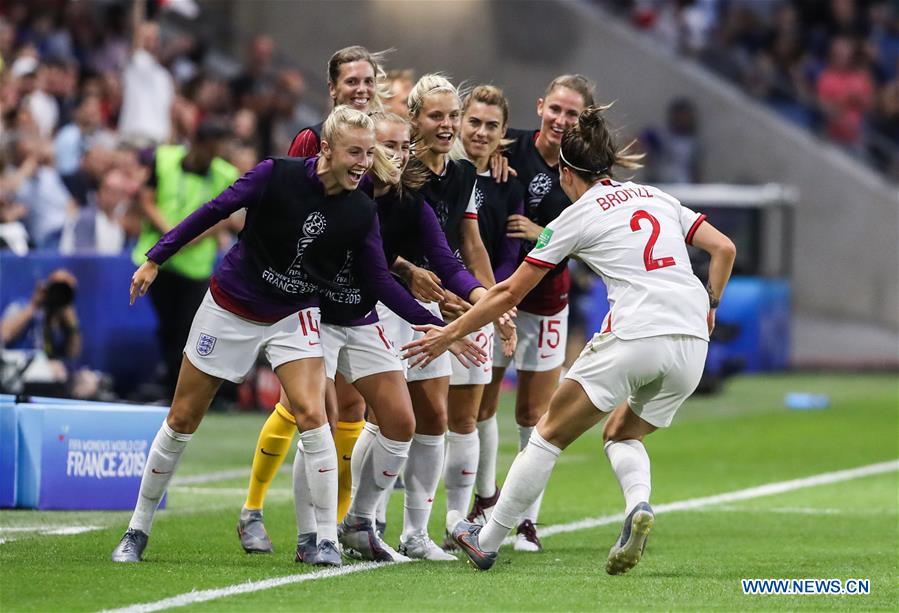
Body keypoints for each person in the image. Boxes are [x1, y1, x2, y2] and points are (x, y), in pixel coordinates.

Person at [403, 105, 736, 574]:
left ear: (564, 170)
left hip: (637, 332)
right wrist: (712, 304)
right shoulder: (655, 196)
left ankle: (489, 538)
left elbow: (508, 292)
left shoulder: (575, 216)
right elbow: (724, 248)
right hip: (692, 344)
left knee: (546, 435)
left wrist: (449, 333)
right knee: (621, 433)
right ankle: (637, 505)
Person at [110, 106, 440, 565]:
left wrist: (440, 326)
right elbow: (214, 210)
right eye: (355, 153)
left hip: (294, 313)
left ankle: (325, 538)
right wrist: (155, 258)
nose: (364, 163)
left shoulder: (362, 209)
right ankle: (137, 529)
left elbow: (379, 281)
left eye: (369, 153)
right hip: (232, 308)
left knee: (312, 415)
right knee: (183, 418)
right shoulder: (274, 175)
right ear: (326, 149)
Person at [473, 75, 593, 551]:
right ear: (541, 106)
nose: (561, 121)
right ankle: (483, 502)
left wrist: (542, 232)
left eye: (572, 115)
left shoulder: (585, 168)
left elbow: (590, 241)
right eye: (556, 110)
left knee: (533, 414)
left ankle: (525, 520)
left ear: (583, 120)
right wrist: (488, 158)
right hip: (501, 295)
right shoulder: (508, 146)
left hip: (546, 303)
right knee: (480, 406)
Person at [402, 74, 515, 553]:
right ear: (414, 119)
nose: (447, 125)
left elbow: (470, 242)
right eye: (437, 116)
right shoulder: (400, 173)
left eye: (452, 115)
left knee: (464, 417)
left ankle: (456, 523)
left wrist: (492, 302)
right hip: (408, 301)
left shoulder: (465, 173)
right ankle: (373, 521)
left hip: (458, 298)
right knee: (403, 420)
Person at [456, 84, 523, 530]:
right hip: (435, 298)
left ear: (503, 134)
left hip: (482, 300)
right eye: (474, 122)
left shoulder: (507, 181)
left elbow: (506, 248)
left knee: (477, 408)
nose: (480, 133)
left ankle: (481, 500)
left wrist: (496, 296)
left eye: (491, 126)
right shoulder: (441, 170)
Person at [131, 121, 238, 396]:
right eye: (211, 149)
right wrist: (172, 236)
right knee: (167, 327)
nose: (214, 156)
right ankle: (170, 388)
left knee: (187, 329)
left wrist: (187, 239)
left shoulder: (225, 173)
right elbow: (145, 199)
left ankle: (182, 393)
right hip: (158, 263)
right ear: (197, 143)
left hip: (195, 268)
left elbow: (227, 216)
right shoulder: (164, 159)